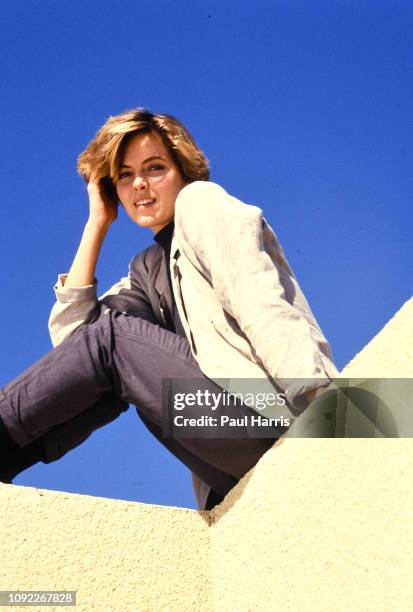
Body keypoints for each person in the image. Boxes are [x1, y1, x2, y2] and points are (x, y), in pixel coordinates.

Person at [0, 109, 338, 510]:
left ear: (183, 170)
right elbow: (75, 355)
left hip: (269, 416)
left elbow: (258, 297)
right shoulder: (147, 269)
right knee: (105, 349)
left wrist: (320, 405)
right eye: (124, 176)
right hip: (226, 457)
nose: (139, 184)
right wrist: (96, 223)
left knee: (112, 340)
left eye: (154, 168)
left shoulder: (202, 202)